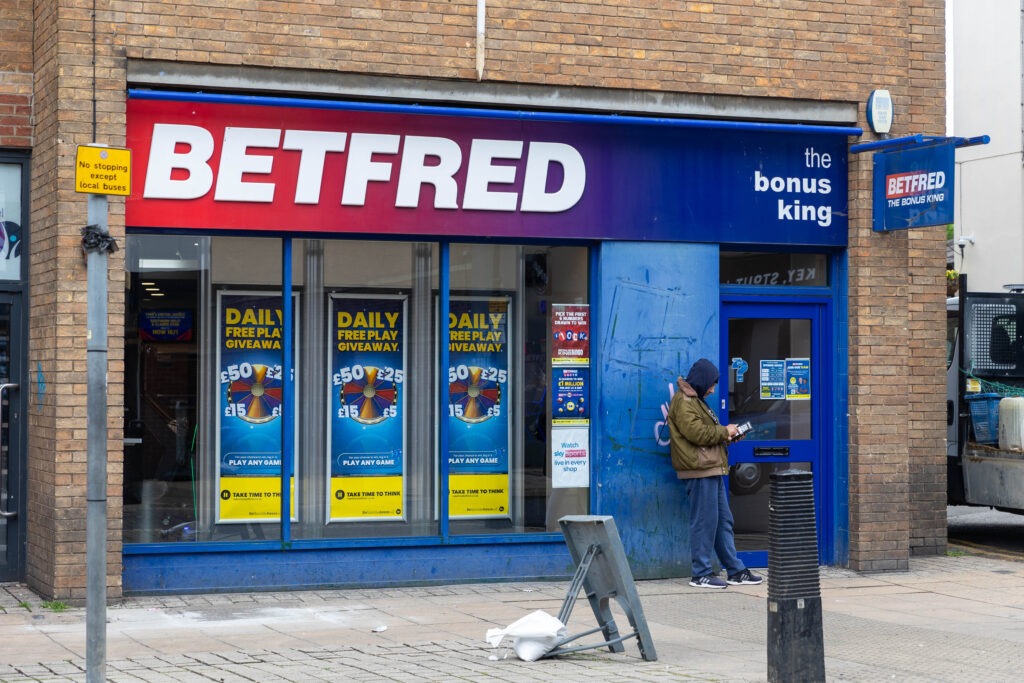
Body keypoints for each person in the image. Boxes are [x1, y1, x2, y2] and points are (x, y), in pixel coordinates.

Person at [667, 358, 763, 589]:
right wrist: (724, 431)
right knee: (704, 521)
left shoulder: (696, 400)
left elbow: (706, 435)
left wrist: (729, 436)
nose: (712, 389)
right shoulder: (684, 402)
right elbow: (697, 433)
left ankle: (735, 570)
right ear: (700, 381)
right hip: (698, 470)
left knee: (722, 521)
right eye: (710, 384)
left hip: (710, 467)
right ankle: (700, 573)